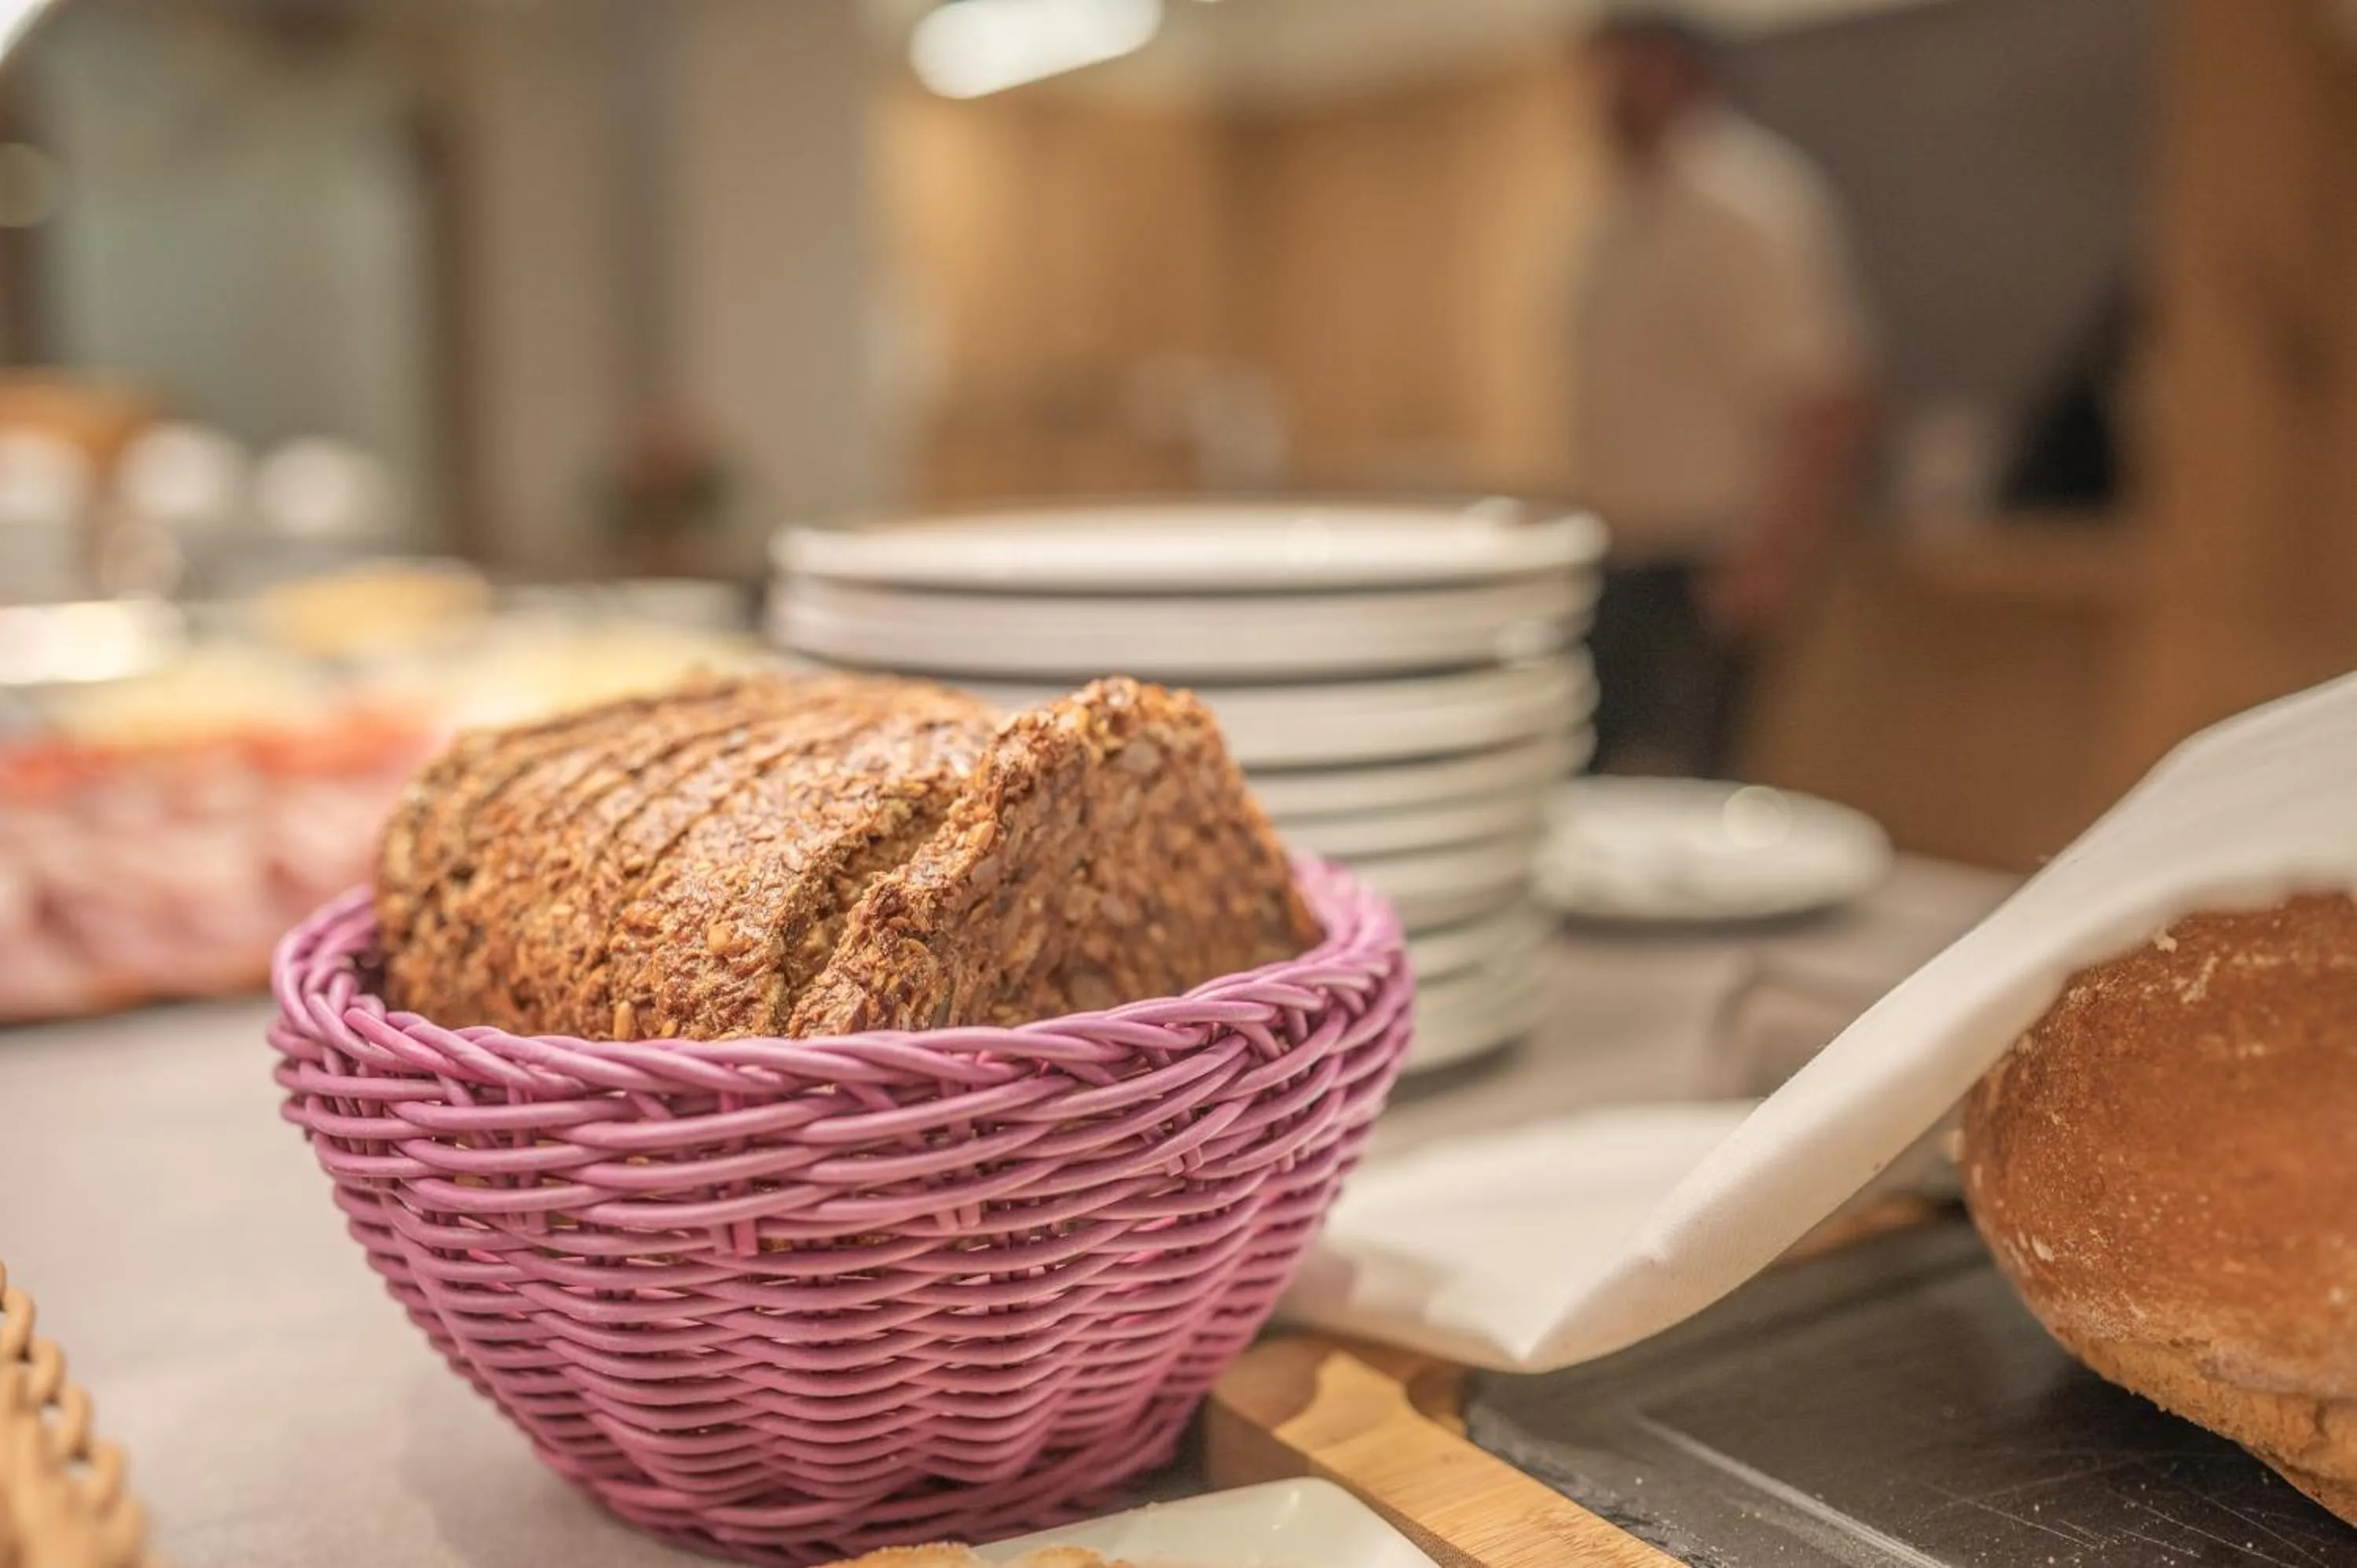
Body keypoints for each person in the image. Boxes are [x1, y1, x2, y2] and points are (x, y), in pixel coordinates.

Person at [1571, 6, 1873, 778]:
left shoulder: (1749, 205)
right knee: (1597, 773)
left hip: (1710, 557)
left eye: (1624, 67)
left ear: (1679, 69)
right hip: (1615, 555)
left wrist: (1769, 557)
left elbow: (1824, 392)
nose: (1603, 91)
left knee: (1692, 780)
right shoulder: (1612, 223)